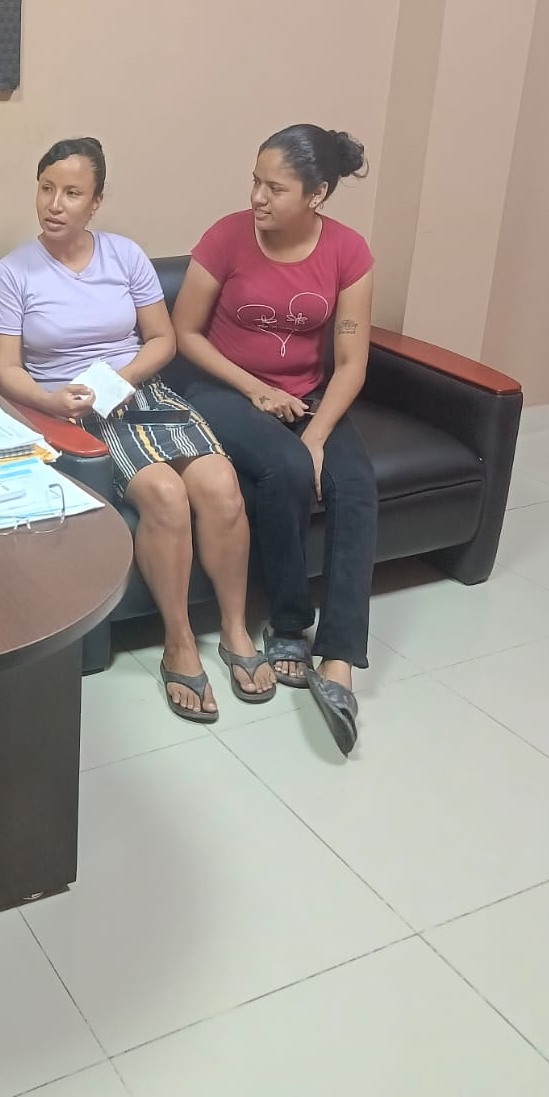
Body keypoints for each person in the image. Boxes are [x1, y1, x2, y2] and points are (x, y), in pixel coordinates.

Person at [0, 137, 270, 722]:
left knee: (220, 485)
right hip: (71, 410)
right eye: (46, 188)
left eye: (72, 193)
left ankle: (236, 629)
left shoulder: (125, 256)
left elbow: (162, 338)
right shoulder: (14, 273)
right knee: (163, 492)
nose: (55, 204)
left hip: (140, 391)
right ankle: (179, 641)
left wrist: (123, 376)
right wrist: (50, 399)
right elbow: (4, 368)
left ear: (96, 201)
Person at [171, 124, 377, 755]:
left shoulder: (348, 252)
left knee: (355, 484)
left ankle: (338, 658)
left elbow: (351, 363)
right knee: (285, 468)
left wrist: (318, 435)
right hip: (223, 390)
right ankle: (289, 625)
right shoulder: (226, 237)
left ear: (317, 194)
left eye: (275, 188)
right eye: (255, 181)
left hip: (308, 395)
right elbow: (185, 334)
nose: (258, 197)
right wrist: (255, 390)